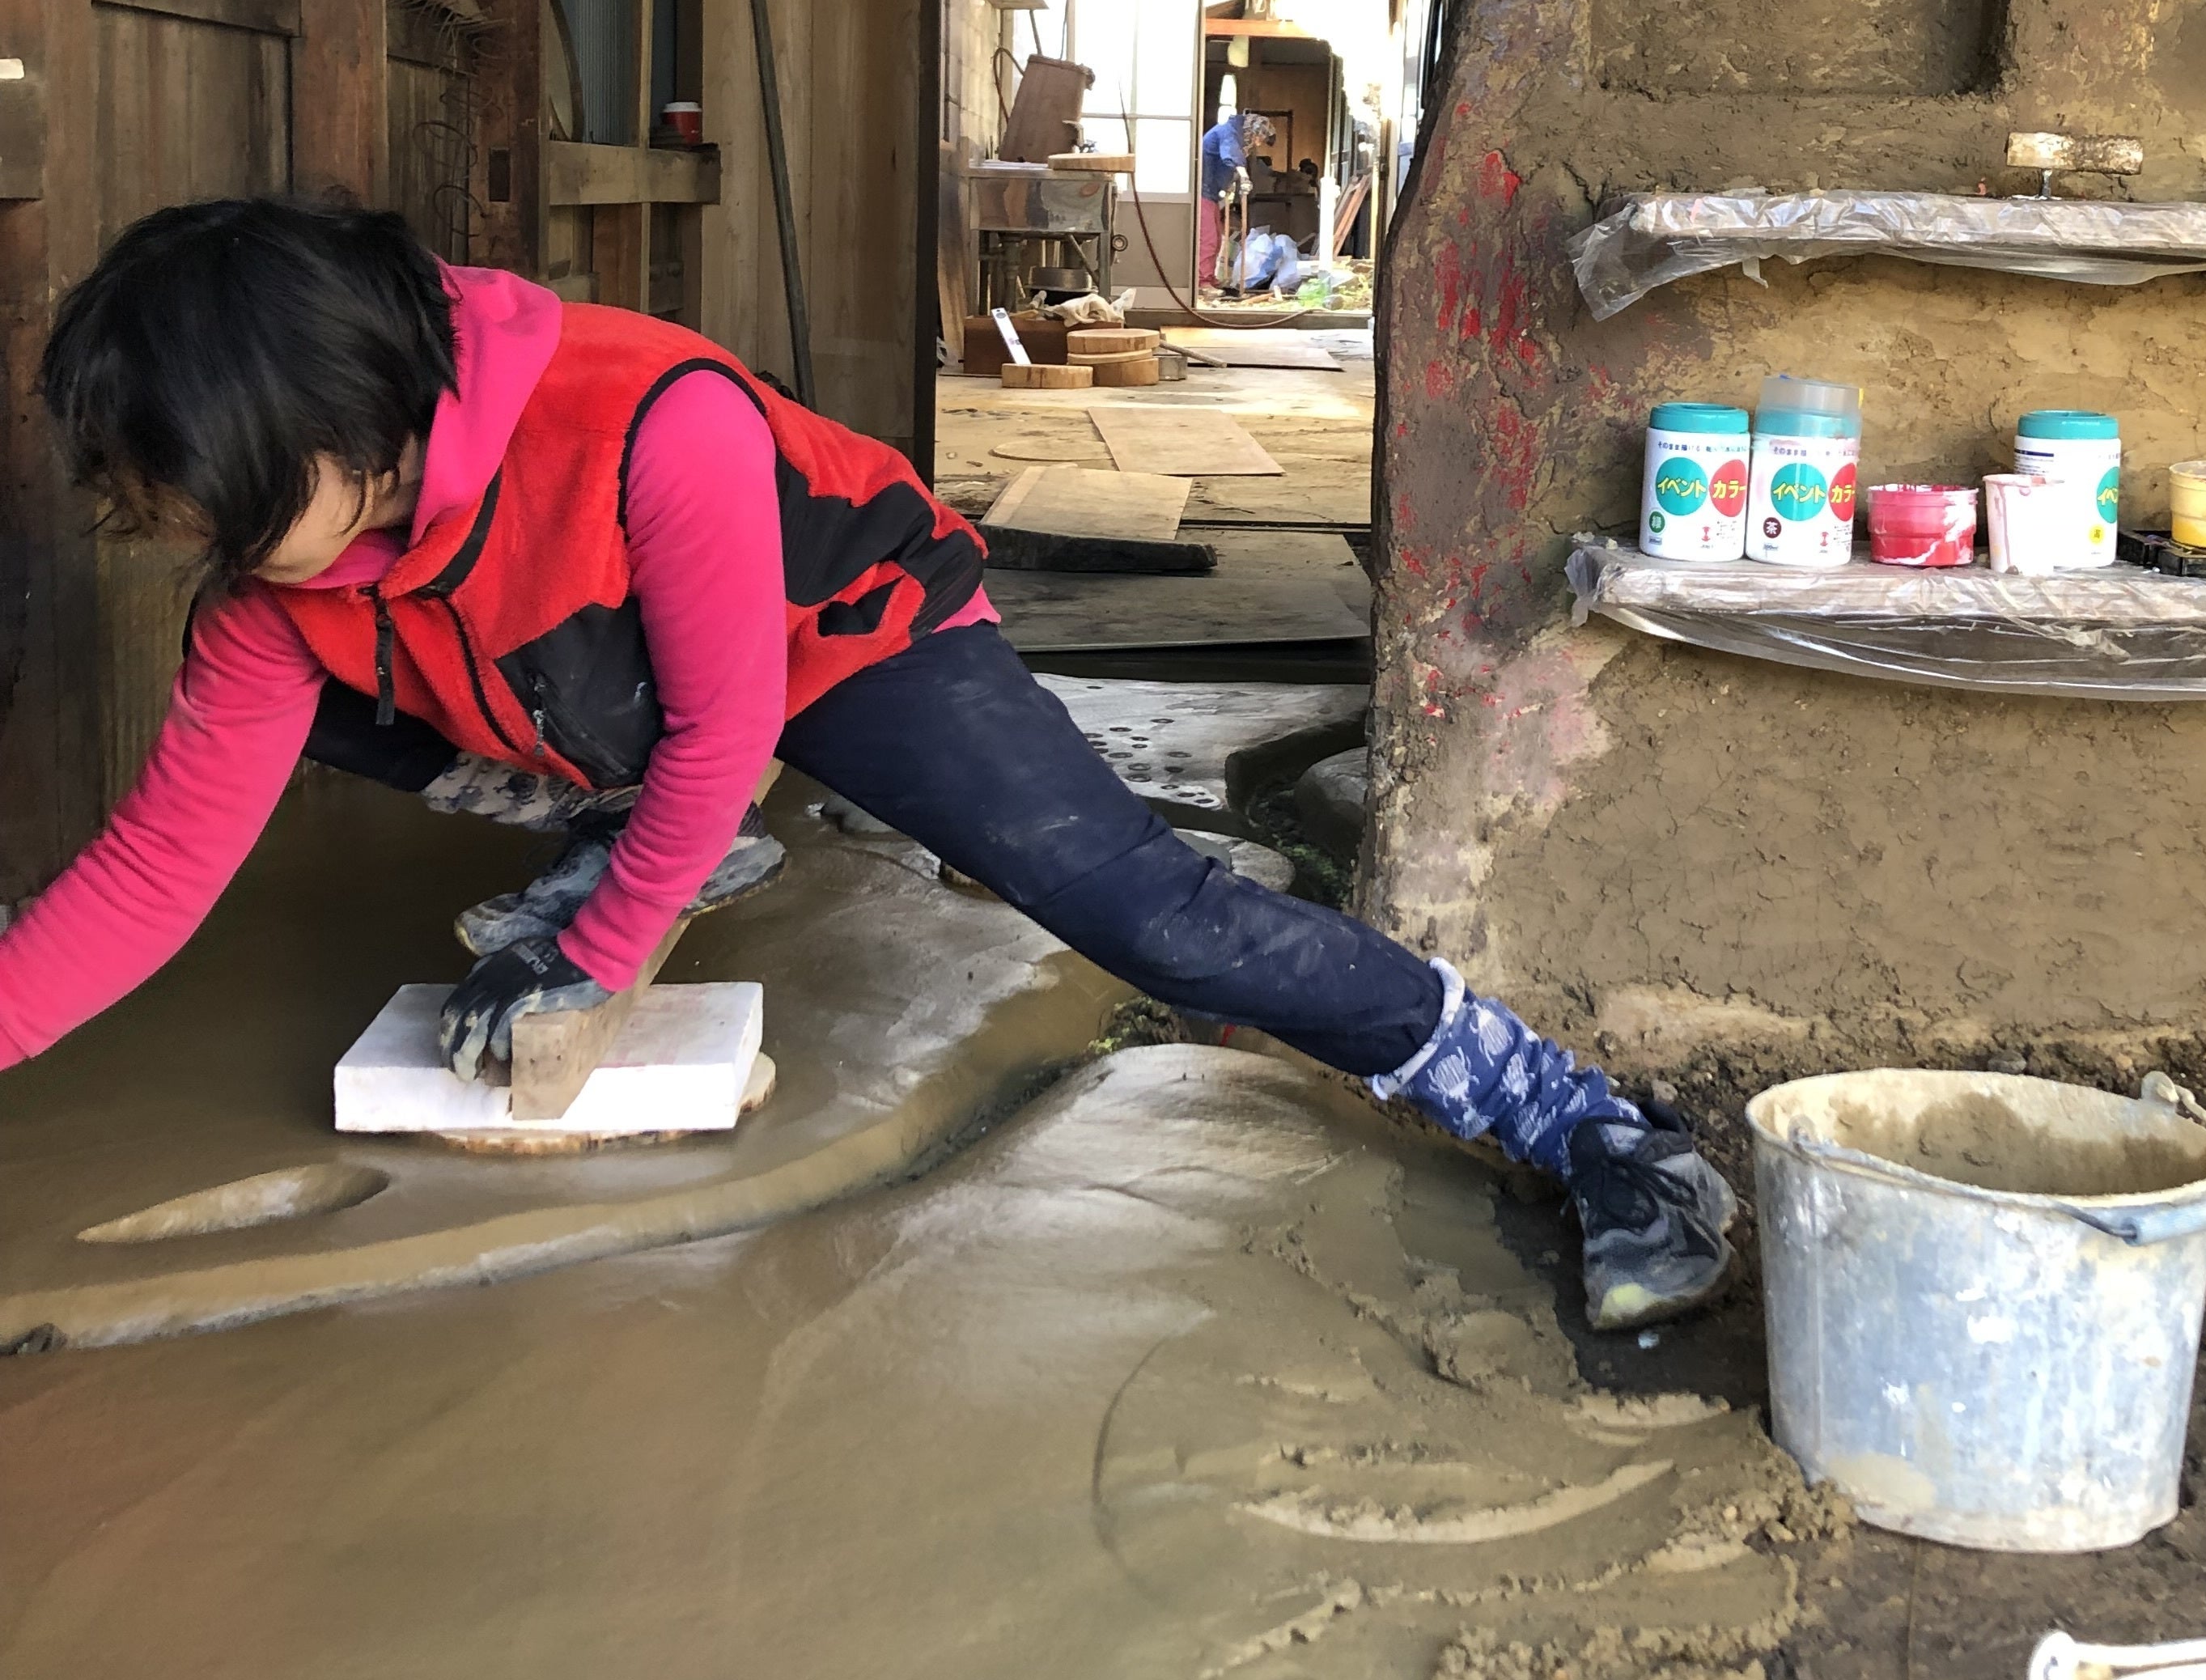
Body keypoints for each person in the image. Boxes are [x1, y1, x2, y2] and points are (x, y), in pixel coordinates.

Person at [0, 199, 1732, 1331]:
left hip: (845, 637)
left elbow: (727, 730)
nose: (186, 544)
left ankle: (1585, 1127)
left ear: (338, 436)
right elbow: (149, 879)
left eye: (205, 503)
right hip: (596, 703)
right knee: (366, 710)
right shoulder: (269, 605)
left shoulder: (644, 419)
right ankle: (644, 839)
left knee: (1146, 911)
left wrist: (600, 956)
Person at [1197, 107, 1275, 290]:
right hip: (1202, 192)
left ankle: (1208, 277)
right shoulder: (1229, 132)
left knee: (1216, 238)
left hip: (1211, 193)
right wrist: (1244, 176)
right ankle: (1201, 281)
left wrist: (1230, 183)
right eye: (1258, 138)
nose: (1257, 144)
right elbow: (1230, 154)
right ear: (1251, 131)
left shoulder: (1233, 133)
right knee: (1208, 238)